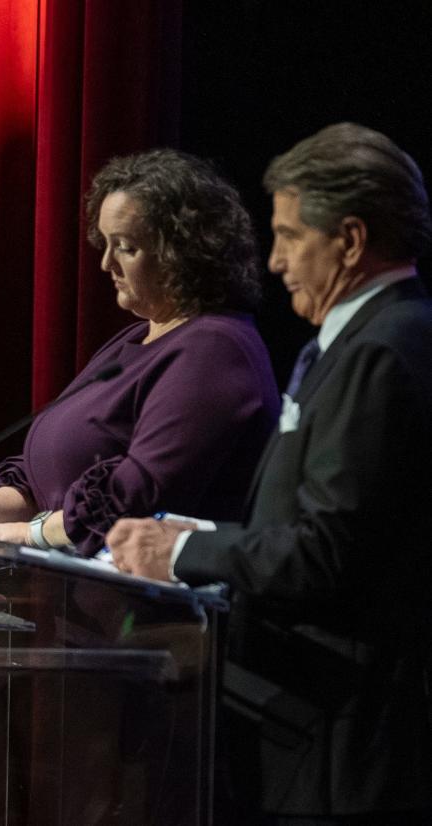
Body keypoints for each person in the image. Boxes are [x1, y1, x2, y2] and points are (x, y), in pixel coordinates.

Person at [109, 124, 432, 823]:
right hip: (312, 724)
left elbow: (330, 553)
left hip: (344, 743)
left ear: (349, 239)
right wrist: (213, 534)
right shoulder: (358, 340)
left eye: (289, 236)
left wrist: (184, 551)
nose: (277, 260)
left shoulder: (384, 349)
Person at [0, 149, 279, 555]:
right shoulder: (134, 339)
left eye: (125, 247)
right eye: (104, 243)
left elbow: (138, 497)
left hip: (157, 611)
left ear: (183, 250)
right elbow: (47, 478)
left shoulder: (213, 349)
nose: (105, 263)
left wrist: (28, 535)